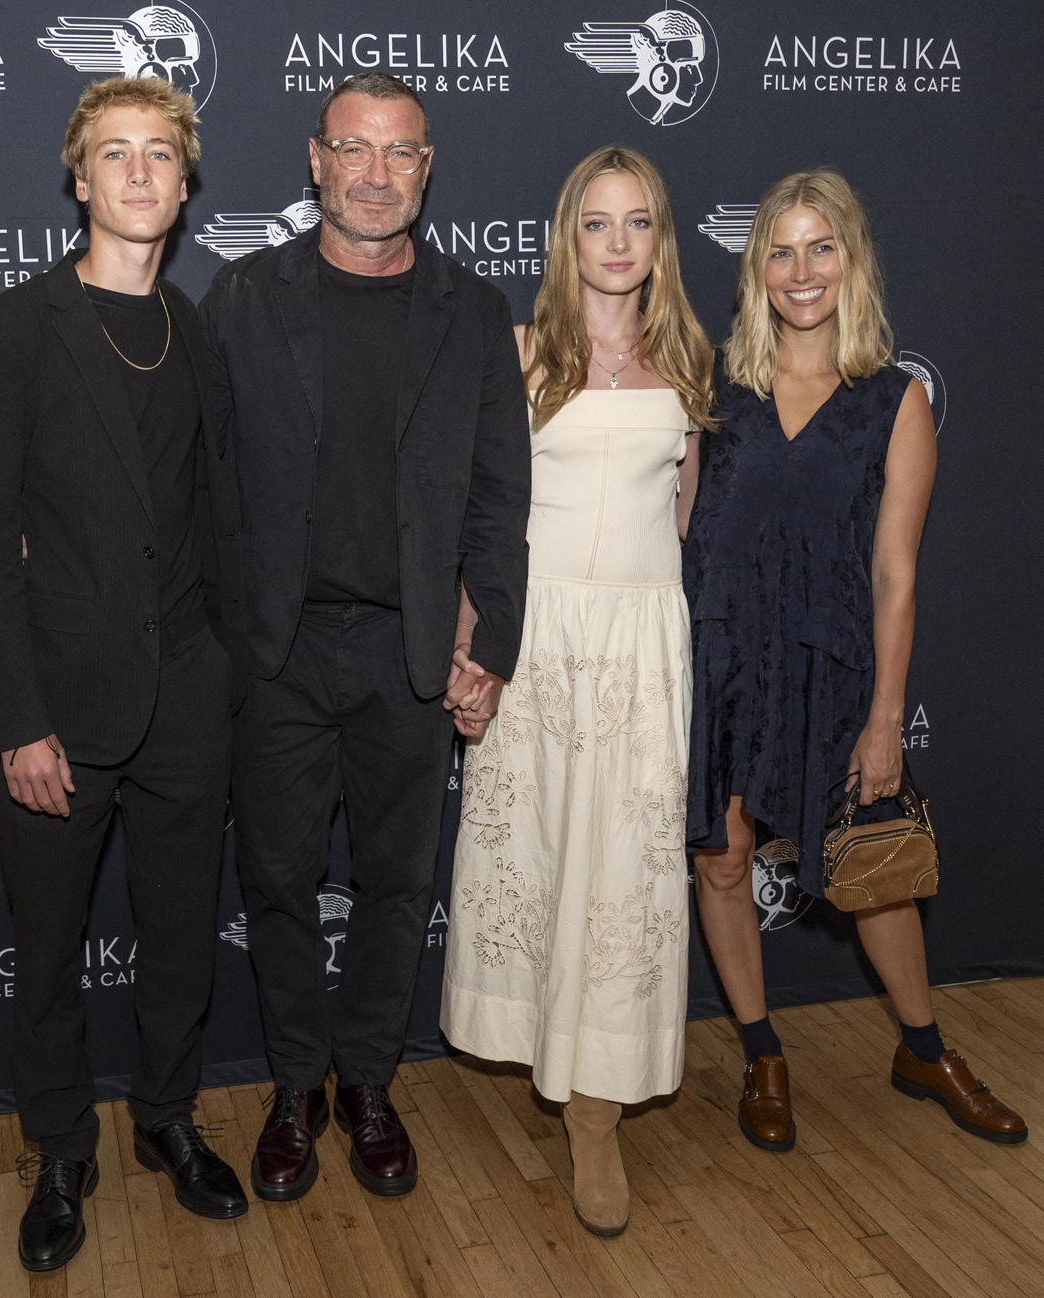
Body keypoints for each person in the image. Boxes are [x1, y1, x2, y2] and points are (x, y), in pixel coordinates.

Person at [198, 73, 531, 1202]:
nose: (377, 174)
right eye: (355, 148)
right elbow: (199, 483)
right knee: (281, 881)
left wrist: (485, 645)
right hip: (278, 655)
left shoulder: (474, 310)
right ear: (316, 159)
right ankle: (296, 1084)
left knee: (397, 885)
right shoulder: (242, 299)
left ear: (426, 169)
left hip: (412, 655)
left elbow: (497, 496)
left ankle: (371, 1085)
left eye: (400, 153)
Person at [0, 76, 250, 1273]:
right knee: (47, 950)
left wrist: (227, 672)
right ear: (79, 180)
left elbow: (219, 521)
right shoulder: (13, 330)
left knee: (180, 935)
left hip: (189, 694)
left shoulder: (199, 331)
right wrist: (16, 717)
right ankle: (62, 1146)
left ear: (186, 182)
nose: (137, 174)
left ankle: (167, 1117)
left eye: (159, 154)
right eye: (112, 155)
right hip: (60, 707)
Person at [684, 169, 1027, 1153]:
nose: (802, 270)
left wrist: (885, 715)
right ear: (759, 268)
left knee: (873, 867)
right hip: (722, 657)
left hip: (833, 662)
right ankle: (762, 1049)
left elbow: (896, 574)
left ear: (851, 260)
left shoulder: (894, 398)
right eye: (782, 250)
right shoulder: (717, 384)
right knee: (721, 855)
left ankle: (924, 1045)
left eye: (821, 247)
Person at [441, 146, 716, 1237]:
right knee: (540, 854)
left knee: (625, 877)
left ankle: (594, 1111)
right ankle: (538, 1049)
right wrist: (474, 648)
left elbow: (682, 516)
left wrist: (637, 619)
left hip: (641, 648)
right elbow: (480, 520)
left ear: (659, 240)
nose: (615, 242)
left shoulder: (689, 360)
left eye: (636, 222)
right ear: (568, 235)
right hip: (536, 639)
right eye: (595, 222)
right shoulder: (515, 356)